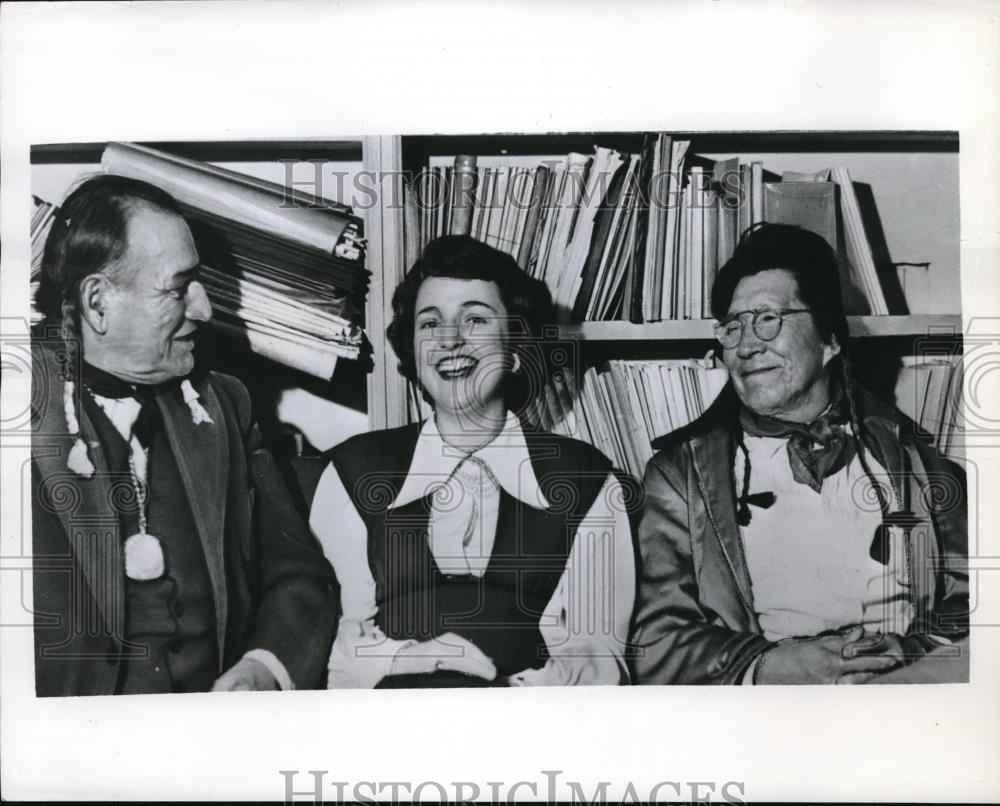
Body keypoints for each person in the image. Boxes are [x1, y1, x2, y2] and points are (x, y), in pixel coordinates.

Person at [31, 174, 337, 696]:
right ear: (98, 303)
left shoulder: (226, 404)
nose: (205, 309)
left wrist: (266, 666)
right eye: (178, 288)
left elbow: (299, 576)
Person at [630, 223, 968, 685]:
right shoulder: (679, 475)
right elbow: (657, 640)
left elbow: (975, 599)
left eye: (768, 318)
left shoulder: (915, 460)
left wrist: (911, 648)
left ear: (830, 338)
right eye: (732, 327)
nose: (747, 346)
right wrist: (771, 667)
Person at [309, 235, 635, 687]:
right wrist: (416, 661)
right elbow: (331, 652)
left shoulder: (585, 479)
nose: (450, 341)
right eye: (429, 324)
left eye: (475, 319)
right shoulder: (353, 471)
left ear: (517, 340)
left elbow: (597, 657)